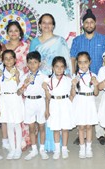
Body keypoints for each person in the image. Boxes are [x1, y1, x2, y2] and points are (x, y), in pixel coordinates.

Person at [30, 13, 71, 152]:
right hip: (41, 79)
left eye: (50, 23)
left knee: (56, 110)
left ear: (53, 25)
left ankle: (57, 145)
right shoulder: (34, 42)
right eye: (44, 23)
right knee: (44, 110)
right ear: (40, 25)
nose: (47, 25)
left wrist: (68, 79)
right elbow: (31, 62)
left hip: (57, 79)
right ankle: (44, 144)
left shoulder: (60, 41)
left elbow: (66, 59)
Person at [70, 8, 105, 145]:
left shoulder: (103, 39)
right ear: (83, 24)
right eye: (86, 22)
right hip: (81, 79)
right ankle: (83, 134)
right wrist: (75, 75)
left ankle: (100, 133)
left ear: (95, 23)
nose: (89, 25)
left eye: (92, 22)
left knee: (97, 107)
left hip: (97, 79)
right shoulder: (77, 40)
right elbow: (73, 57)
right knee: (82, 107)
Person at [1, 21, 30, 151]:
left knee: (23, 111)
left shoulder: (26, 46)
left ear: (20, 33)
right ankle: (13, 141)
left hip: (23, 82)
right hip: (8, 85)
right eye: (11, 31)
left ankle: (25, 140)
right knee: (11, 113)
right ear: (7, 33)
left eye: (16, 30)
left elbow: (31, 63)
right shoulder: (3, 47)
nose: (13, 33)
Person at [17, 51, 49, 160]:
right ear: (27, 64)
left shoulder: (44, 77)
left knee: (41, 127)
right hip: (29, 102)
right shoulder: (24, 77)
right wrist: (24, 84)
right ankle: (34, 149)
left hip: (40, 102)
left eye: (35, 62)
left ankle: (42, 149)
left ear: (39, 63)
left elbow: (48, 94)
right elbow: (18, 93)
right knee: (31, 128)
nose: (32, 65)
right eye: (30, 62)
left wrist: (47, 108)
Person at [42, 57, 74, 159]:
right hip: (54, 104)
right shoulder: (49, 81)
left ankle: (64, 148)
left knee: (65, 128)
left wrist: (74, 86)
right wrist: (46, 90)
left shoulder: (68, 80)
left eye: (61, 67)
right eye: (57, 67)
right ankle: (57, 149)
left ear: (65, 68)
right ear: (52, 68)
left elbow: (72, 95)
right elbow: (47, 98)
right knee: (56, 128)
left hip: (65, 104)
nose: (59, 69)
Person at [0, 50, 24, 160]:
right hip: (4, 99)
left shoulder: (19, 71)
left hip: (15, 98)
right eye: (5, 58)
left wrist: (17, 76)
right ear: (2, 60)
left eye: (11, 58)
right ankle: (12, 149)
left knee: (17, 124)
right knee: (9, 125)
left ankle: (18, 149)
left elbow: (19, 88)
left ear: (15, 60)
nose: (8, 60)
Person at [70, 52, 99, 158]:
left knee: (89, 126)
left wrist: (96, 85)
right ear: (77, 63)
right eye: (80, 62)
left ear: (90, 62)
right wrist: (73, 85)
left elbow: (96, 93)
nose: (83, 65)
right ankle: (82, 148)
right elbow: (72, 95)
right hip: (79, 102)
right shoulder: (75, 76)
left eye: (85, 62)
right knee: (81, 127)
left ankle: (89, 147)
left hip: (90, 102)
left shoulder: (94, 76)